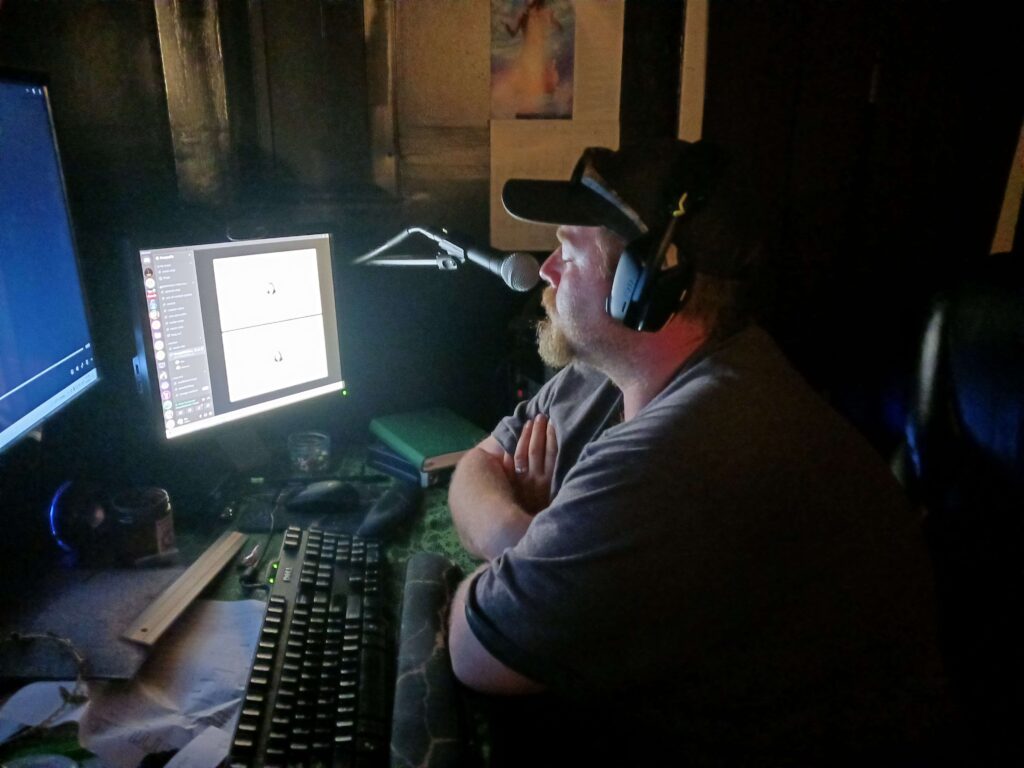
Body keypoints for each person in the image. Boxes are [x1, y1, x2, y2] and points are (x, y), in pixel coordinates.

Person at [446, 138, 951, 765]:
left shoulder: (686, 454)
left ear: (646, 286)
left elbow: (470, 651)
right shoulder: (615, 370)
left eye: (570, 252)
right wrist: (518, 534)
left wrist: (530, 556)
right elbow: (477, 462)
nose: (545, 270)